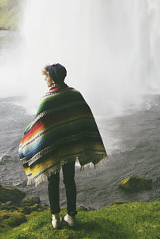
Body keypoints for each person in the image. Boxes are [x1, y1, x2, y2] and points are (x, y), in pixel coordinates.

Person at [18, 63, 107, 229]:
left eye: (46, 76)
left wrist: (26, 134)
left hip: (54, 147)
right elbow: (85, 117)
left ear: (51, 78)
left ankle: (56, 218)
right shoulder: (75, 94)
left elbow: (38, 124)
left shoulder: (47, 99)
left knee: (53, 182)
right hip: (71, 147)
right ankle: (71, 216)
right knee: (69, 180)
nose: (44, 79)